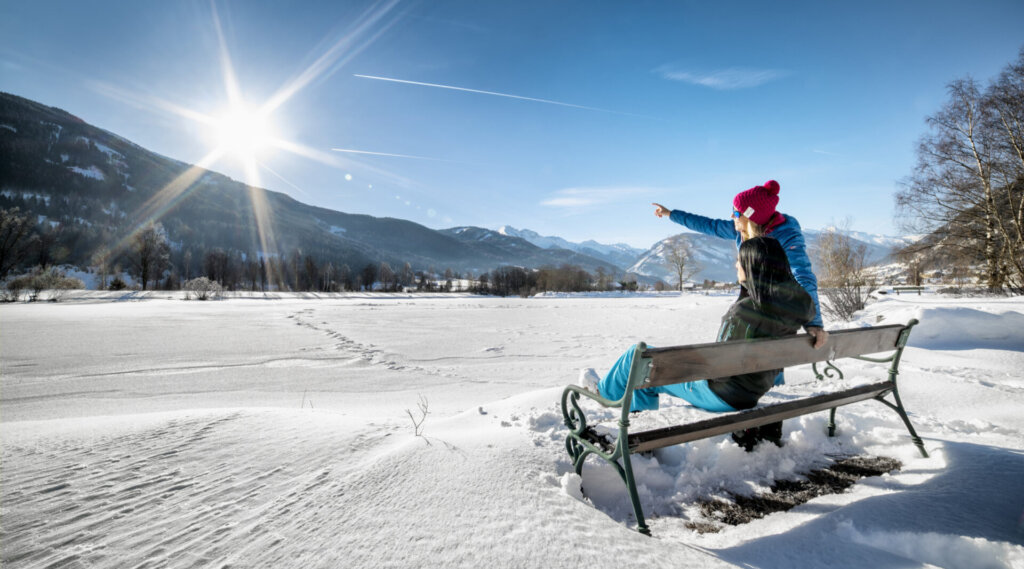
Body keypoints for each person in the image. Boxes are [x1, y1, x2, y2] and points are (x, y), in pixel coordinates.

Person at [584, 237, 816, 440]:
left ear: (753, 266)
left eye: (739, 260)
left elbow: (718, 367)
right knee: (649, 369)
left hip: (722, 394)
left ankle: (604, 395)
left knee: (638, 361)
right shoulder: (799, 305)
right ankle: (637, 426)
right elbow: (805, 308)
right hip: (755, 389)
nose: (736, 264)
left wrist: (685, 366)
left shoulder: (745, 312)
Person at [651, 180, 828, 352]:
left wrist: (814, 323)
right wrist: (671, 214)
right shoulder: (739, 230)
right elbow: (708, 225)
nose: (731, 216)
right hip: (753, 303)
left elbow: (802, 274)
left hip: (775, 309)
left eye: (736, 213)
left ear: (750, 216)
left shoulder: (786, 236)